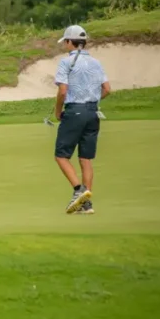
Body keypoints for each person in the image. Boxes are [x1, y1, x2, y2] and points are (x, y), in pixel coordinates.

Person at [53, 25, 110, 215]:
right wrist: (91, 102)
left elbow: (62, 91)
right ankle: (86, 204)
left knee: (61, 156)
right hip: (93, 113)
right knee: (85, 159)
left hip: (74, 112)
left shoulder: (66, 62)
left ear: (70, 42)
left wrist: (58, 111)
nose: (65, 45)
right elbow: (107, 89)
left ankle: (78, 190)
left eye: (65, 42)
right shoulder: (96, 62)